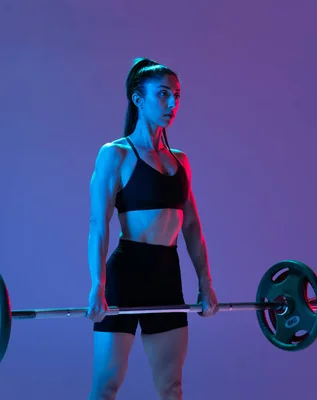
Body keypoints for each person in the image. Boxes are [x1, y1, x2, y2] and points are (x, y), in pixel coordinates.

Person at [86, 57, 219, 400]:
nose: (172, 103)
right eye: (163, 94)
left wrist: (206, 284)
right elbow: (98, 226)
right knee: (106, 386)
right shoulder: (114, 155)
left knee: (171, 388)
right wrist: (97, 286)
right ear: (138, 98)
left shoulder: (180, 160)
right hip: (125, 276)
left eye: (176, 94)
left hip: (166, 277)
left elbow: (191, 226)